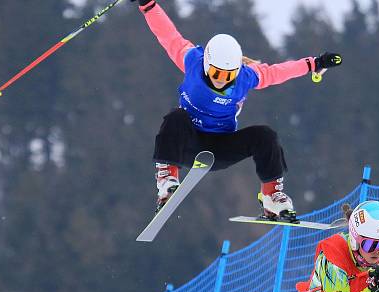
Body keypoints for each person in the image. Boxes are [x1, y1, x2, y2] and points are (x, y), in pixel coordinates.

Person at [130, 0, 342, 221]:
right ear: (206, 64)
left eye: (228, 76)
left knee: (265, 135)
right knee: (176, 117)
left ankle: (271, 196)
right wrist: (148, 5)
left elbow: (278, 72)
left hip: (220, 149)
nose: (222, 81)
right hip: (187, 144)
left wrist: (314, 63)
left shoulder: (245, 77)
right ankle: (167, 180)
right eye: (216, 73)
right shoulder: (191, 60)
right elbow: (168, 35)